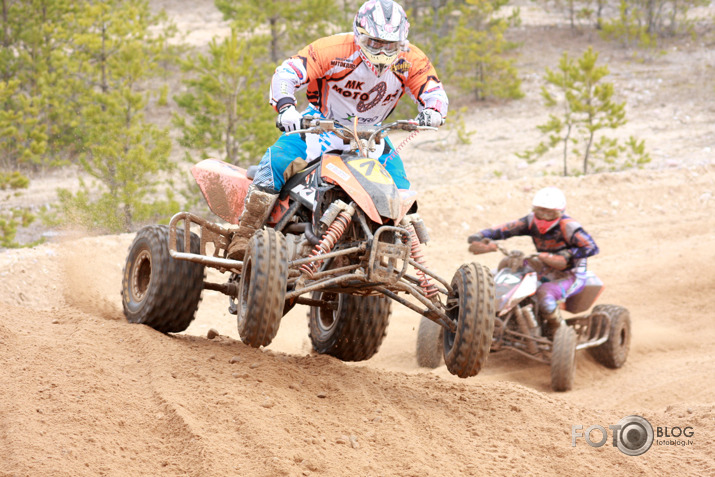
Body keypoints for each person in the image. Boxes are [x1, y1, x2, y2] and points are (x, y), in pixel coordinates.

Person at [227, 0, 449, 260]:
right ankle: (245, 234)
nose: (381, 51)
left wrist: (433, 112)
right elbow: (286, 73)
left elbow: (435, 91)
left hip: (371, 136)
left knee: (400, 190)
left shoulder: (411, 59)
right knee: (277, 160)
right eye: (374, 42)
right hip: (321, 126)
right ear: (359, 34)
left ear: (401, 41)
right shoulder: (333, 50)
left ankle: (386, 251)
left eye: (390, 44)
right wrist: (286, 108)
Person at [467, 187, 599, 336]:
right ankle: (503, 315)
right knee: (510, 266)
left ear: (560, 213)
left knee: (545, 296)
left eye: (550, 213)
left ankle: (558, 332)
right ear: (534, 210)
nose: (544, 217)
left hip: (570, 274)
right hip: (544, 266)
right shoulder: (531, 221)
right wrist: (480, 235)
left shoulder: (568, 226)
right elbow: (504, 229)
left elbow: (591, 247)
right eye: (541, 212)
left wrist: (568, 254)